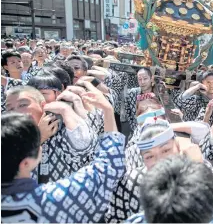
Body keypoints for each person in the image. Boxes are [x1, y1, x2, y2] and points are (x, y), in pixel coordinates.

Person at [1, 84, 126, 222]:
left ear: (43, 105)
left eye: (23, 104)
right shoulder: (52, 200)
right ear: (28, 161)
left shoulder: (61, 131)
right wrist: (108, 110)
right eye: (10, 108)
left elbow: (82, 147)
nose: (17, 112)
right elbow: (108, 168)